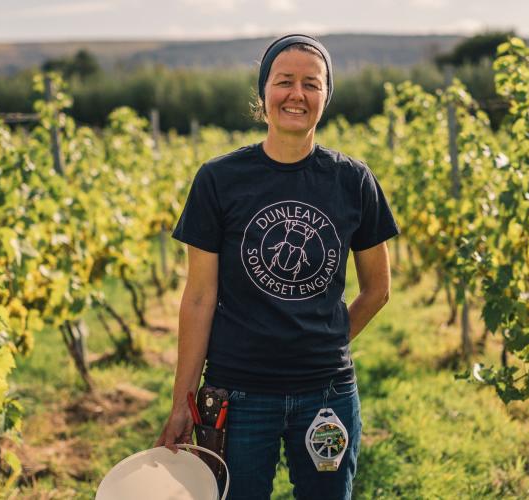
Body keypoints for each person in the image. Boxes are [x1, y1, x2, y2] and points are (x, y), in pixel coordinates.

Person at [155, 33, 400, 500]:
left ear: (326, 96)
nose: (297, 94)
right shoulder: (219, 179)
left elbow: (378, 289)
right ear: (263, 92)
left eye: (312, 84)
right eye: (284, 81)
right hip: (238, 397)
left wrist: (323, 344)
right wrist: (182, 403)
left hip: (327, 395)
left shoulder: (353, 180)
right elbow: (200, 297)